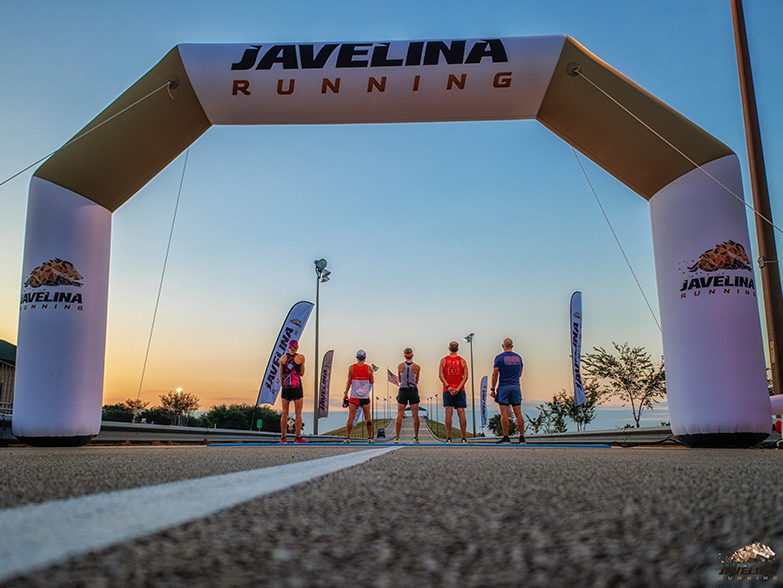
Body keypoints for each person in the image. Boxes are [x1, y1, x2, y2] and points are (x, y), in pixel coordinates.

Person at [490, 338, 526, 444]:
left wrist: (492, 388)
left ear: (503, 346)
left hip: (504, 386)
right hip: (515, 386)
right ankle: (522, 437)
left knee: (504, 413)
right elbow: (520, 373)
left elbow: (495, 374)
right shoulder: (518, 358)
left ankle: (506, 437)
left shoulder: (499, 358)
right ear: (512, 346)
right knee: (518, 413)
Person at [438, 341, 469, 443]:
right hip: (460, 390)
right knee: (461, 412)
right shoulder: (463, 361)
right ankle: (463, 437)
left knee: (448, 412)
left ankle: (448, 437)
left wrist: (448, 387)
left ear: (449, 348)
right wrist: (458, 388)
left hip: (447, 390)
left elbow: (441, 375)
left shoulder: (443, 360)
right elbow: (466, 377)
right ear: (458, 349)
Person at [343, 349, 375, 443]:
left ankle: (348, 437)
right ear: (365, 358)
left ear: (357, 358)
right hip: (365, 396)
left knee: (351, 417)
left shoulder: (351, 368)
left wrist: (345, 393)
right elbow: (372, 381)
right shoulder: (369, 368)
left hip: (354, 396)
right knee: (367, 417)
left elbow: (349, 382)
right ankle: (370, 438)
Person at [279, 339, 307, 443]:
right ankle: (298, 437)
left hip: (286, 387)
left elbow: (281, 375)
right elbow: (302, 373)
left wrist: (283, 386)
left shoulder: (283, 358)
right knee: (298, 413)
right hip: (296, 386)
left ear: (288, 347)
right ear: (297, 347)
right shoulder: (301, 358)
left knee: (284, 412)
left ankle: (283, 437)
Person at [395, 347, 422, 444]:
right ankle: (416, 437)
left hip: (403, 390)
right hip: (413, 390)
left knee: (400, 414)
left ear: (404, 355)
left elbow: (399, 379)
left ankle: (397, 437)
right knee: (415, 415)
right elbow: (417, 380)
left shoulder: (400, 366)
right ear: (412, 355)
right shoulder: (417, 367)